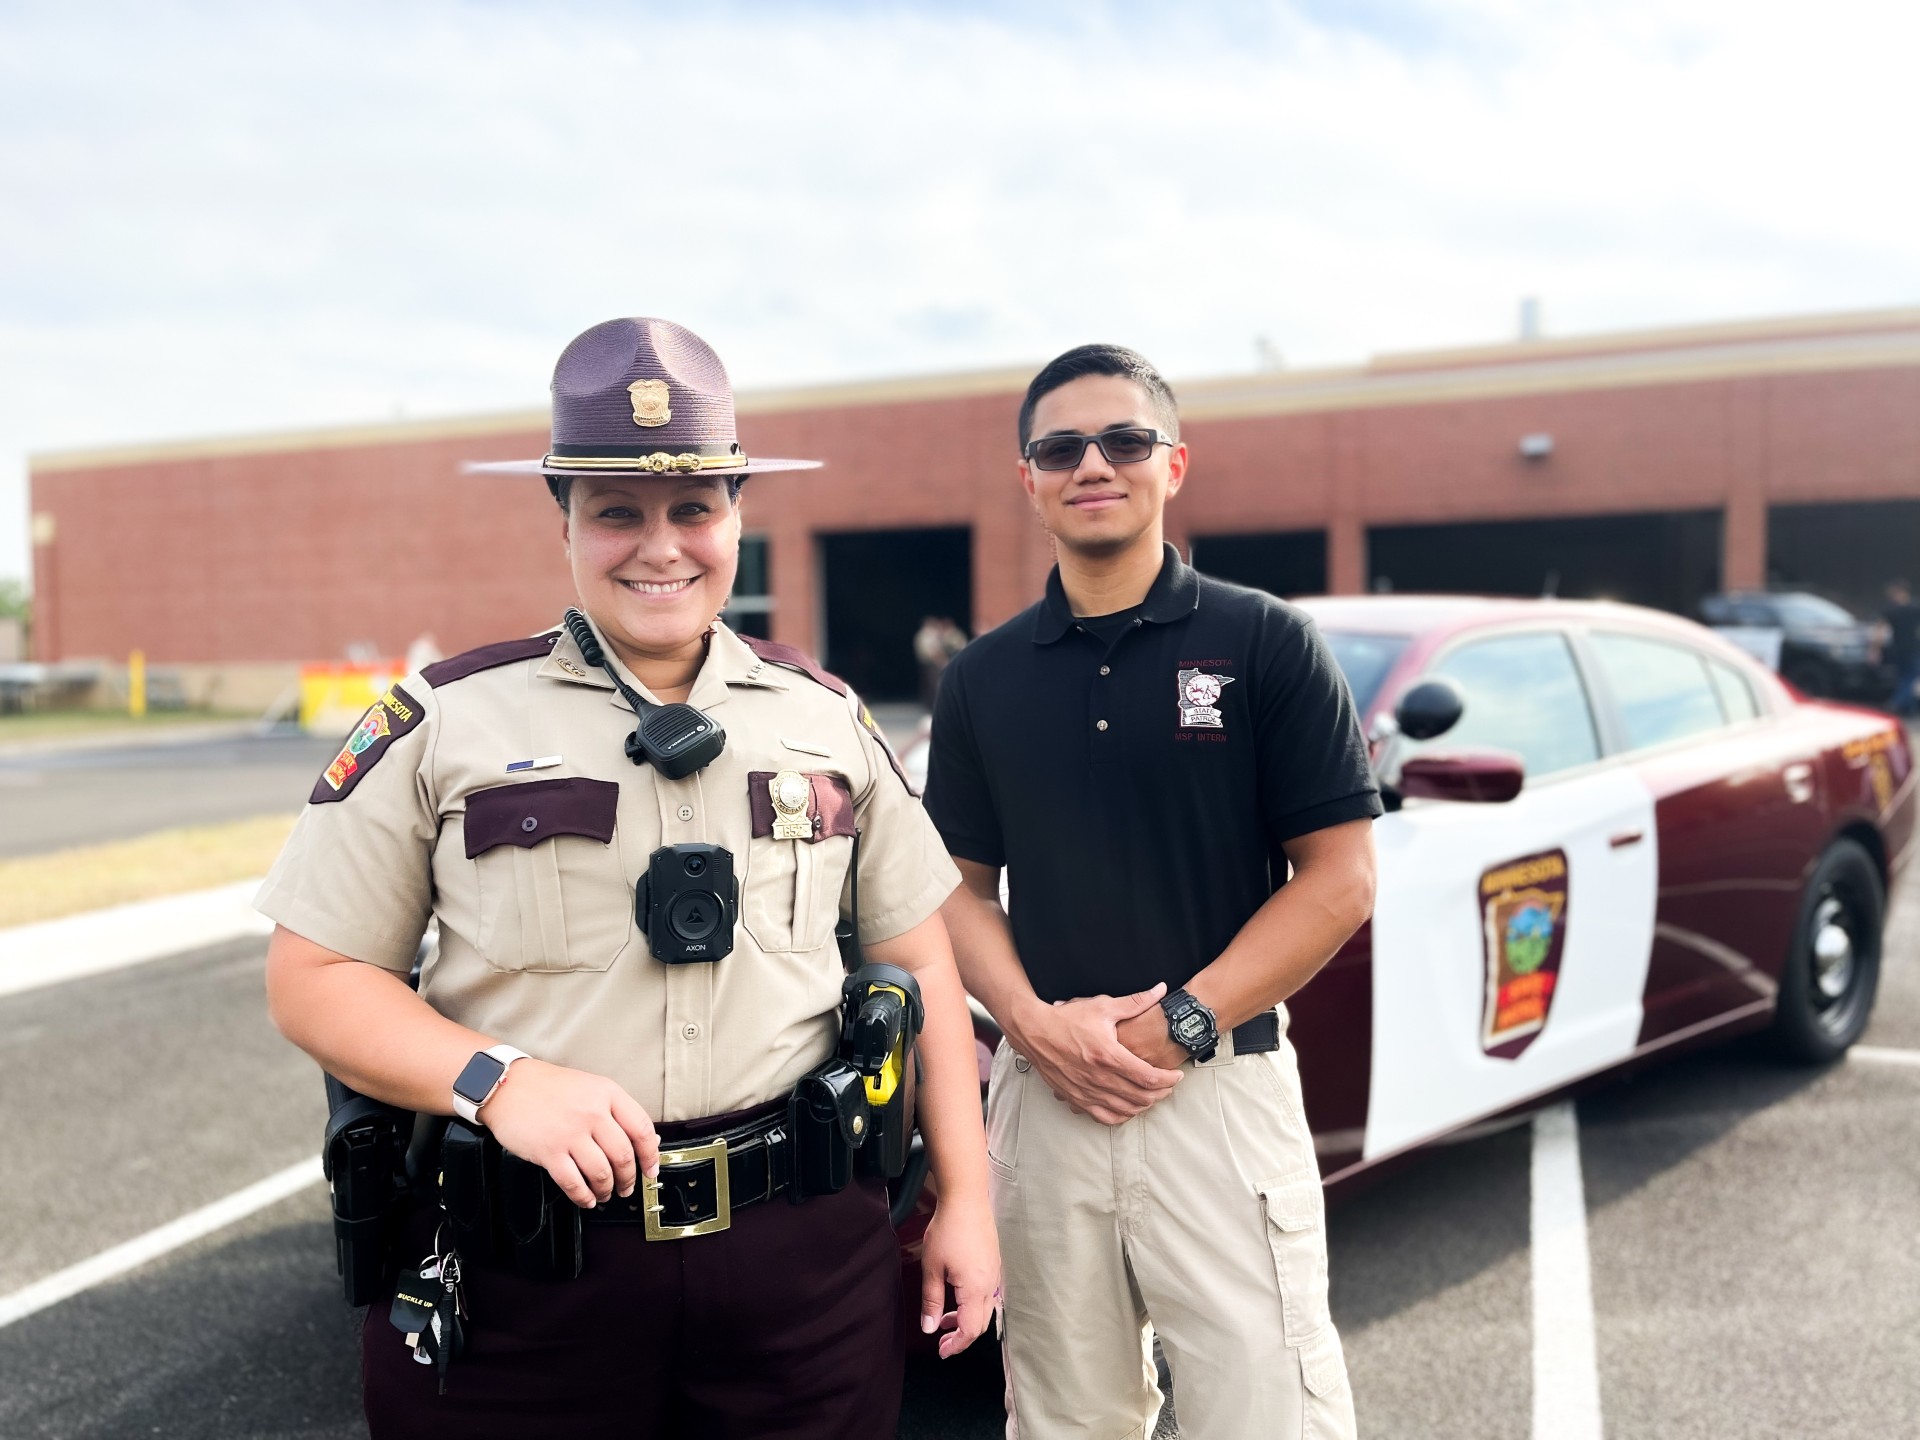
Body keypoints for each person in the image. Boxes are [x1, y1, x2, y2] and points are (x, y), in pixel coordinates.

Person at [259, 318, 998, 1439]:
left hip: (801, 1271)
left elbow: (920, 960)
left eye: (693, 508)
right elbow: (313, 977)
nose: (662, 547)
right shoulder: (445, 722)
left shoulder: (826, 718)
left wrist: (969, 1200)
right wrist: (498, 1080)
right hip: (529, 1279)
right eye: (617, 512)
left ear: (738, 514)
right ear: (562, 518)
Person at [923, 344, 1380, 1439]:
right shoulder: (982, 679)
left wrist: (1180, 1025)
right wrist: (1031, 1027)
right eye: (1060, 448)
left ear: (1173, 464)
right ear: (1028, 480)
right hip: (1045, 1102)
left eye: (1124, 440)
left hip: (1217, 1094)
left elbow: (1340, 878)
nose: (1093, 464)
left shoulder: (1264, 641)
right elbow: (955, 893)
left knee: (1266, 1415)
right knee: (1066, 1420)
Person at [1882, 579, 1920, 715]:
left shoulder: (1891, 610)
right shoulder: (1914, 607)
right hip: (1912, 648)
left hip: (1898, 648)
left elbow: (1880, 628)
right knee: (1911, 676)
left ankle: (1909, 709)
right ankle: (1896, 702)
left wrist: (1874, 649)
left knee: (1904, 677)